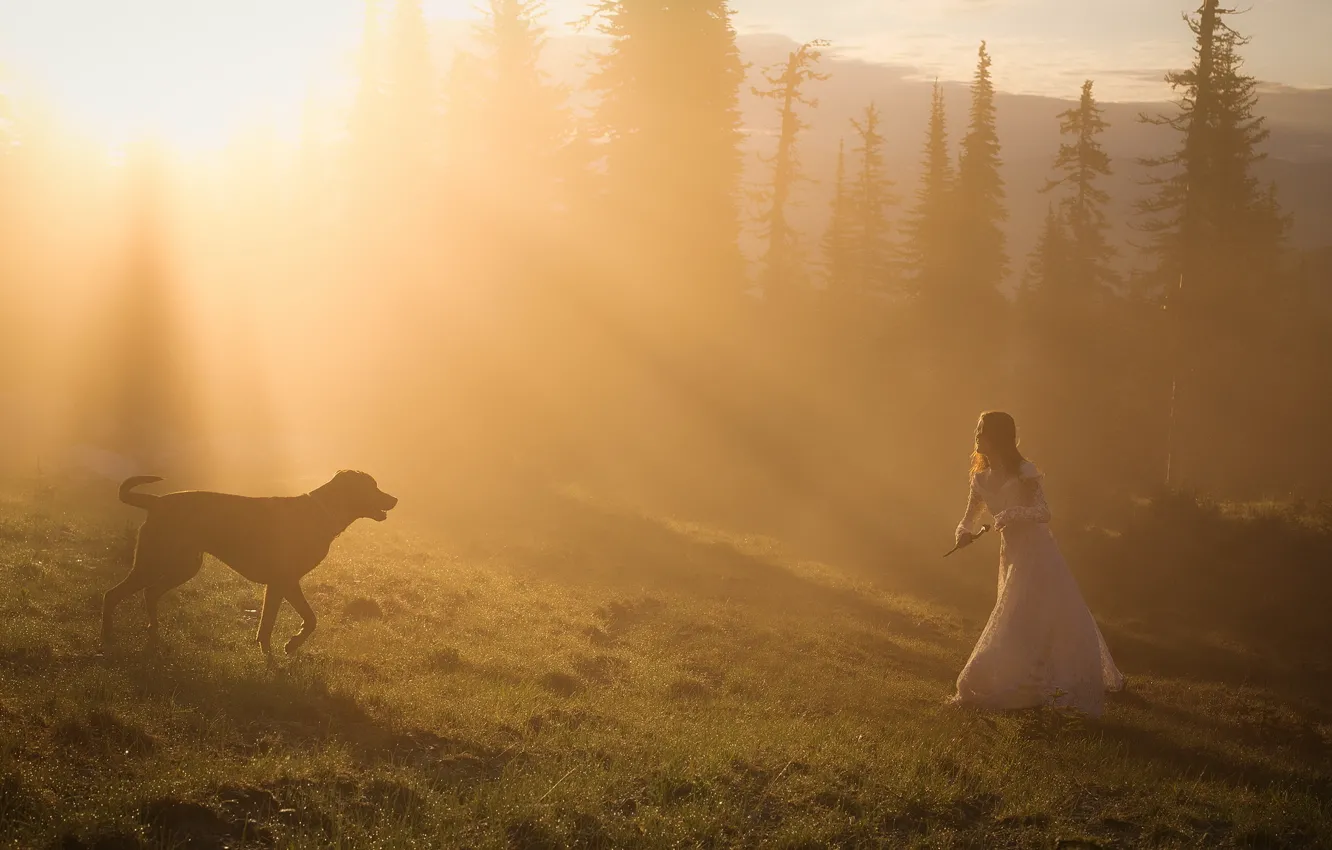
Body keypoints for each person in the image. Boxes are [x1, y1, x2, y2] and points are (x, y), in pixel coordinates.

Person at [951, 411, 1124, 716]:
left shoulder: (1025, 473)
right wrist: (963, 534)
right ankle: (1026, 675)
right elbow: (967, 519)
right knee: (1021, 615)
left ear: (998, 436)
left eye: (982, 431)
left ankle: (1042, 678)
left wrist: (1011, 514)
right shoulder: (979, 480)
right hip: (1012, 557)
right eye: (976, 431)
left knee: (1030, 614)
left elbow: (1044, 512)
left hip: (1038, 554)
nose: (976, 436)